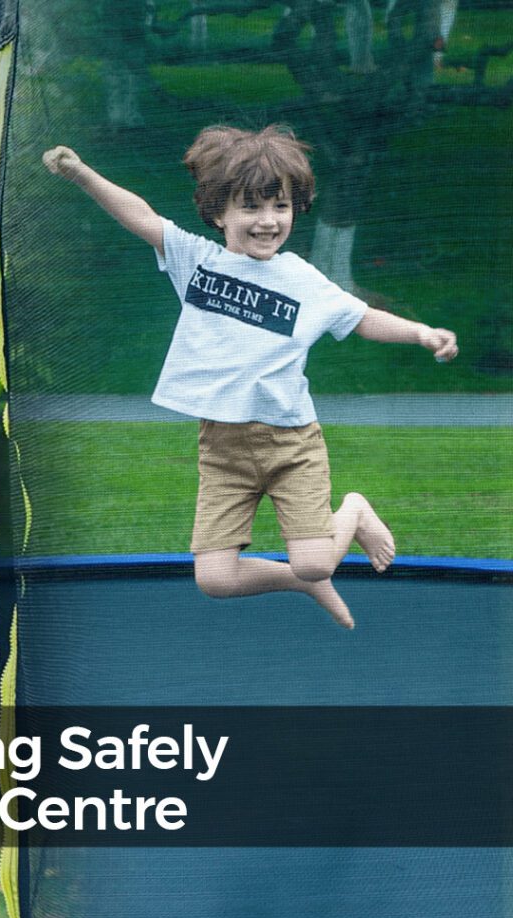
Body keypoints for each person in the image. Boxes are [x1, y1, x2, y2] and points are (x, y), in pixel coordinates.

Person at [43, 126, 457, 629]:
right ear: (219, 213)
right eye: (251, 208)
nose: (268, 221)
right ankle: (305, 583)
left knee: (314, 559)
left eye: (280, 207)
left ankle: (353, 512)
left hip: (291, 444)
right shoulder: (197, 261)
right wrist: (79, 172)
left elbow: (362, 317)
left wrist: (421, 333)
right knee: (216, 579)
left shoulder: (302, 279)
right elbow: (141, 216)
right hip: (222, 449)